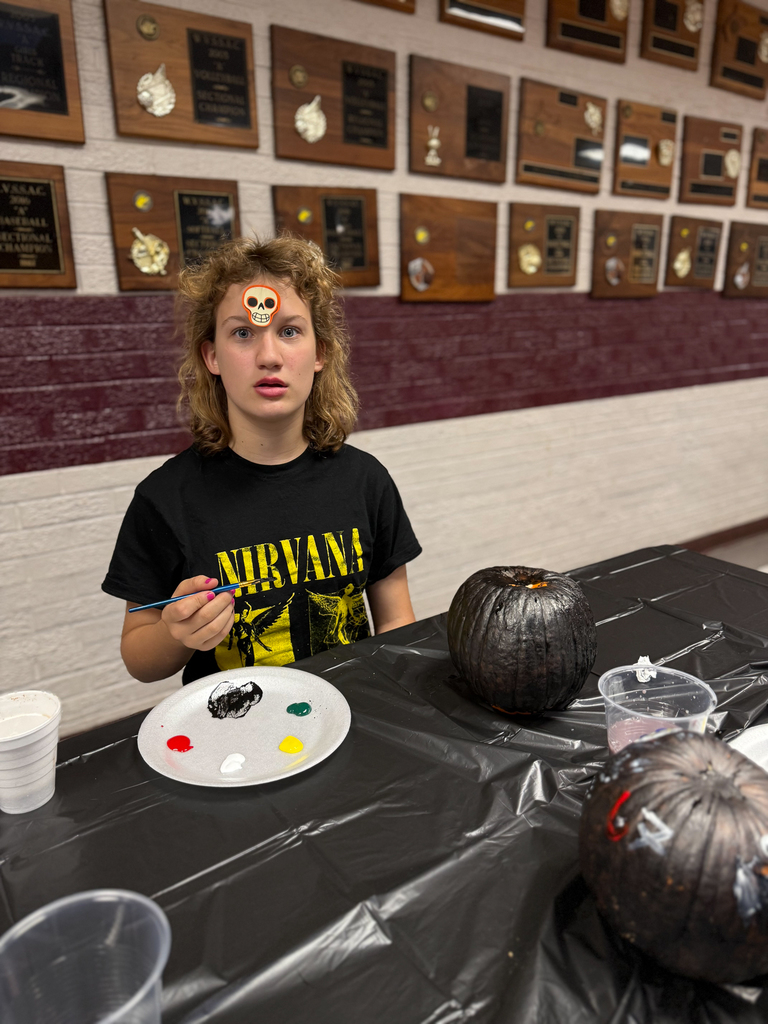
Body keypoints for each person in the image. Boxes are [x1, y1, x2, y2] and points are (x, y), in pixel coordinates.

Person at [102, 235, 421, 685]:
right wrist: (178, 632)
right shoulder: (164, 497)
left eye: (289, 331)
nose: (269, 356)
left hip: (353, 716)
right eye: (243, 333)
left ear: (320, 353)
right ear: (211, 355)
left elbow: (395, 620)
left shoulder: (366, 481)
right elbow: (139, 658)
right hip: (233, 732)